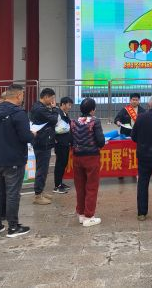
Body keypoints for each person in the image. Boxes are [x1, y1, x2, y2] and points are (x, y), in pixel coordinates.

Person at [0, 84, 35, 238]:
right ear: (18, 95)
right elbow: (25, 137)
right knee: (13, 193)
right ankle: (13, 227)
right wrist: (33, 134)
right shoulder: (19, 113)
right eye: (22, 95)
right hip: (12, 159)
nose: (23, 98)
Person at [71, 97, 106, 227]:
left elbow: (71, 139)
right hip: (91, 157)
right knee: (91, 187)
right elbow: (101, 141)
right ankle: (89, 216)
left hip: (77, 157)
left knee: (80, 187)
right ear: (92, 110)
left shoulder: (73, 122)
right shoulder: (95, 121)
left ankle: (81, 214)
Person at [30, 88, 59, 205]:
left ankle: (40, 191)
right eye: (52, 98)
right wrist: (54, 108)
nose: (52, 101)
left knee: (43, 168)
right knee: (42, 169)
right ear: (46, 97)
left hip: (43, 141)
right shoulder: (40, 109)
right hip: (42, 143)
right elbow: (54, 119)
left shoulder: (39, 107)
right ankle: (38, 195)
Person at [53, 96, 73, 194]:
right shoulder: (57, 114)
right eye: (69, 105)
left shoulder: (64, 113)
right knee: (60, 164)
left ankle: (60, 183)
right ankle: (57, 186)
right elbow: (53, 127)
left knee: (63, 163)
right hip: (60, 142)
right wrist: (55, 139)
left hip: (65, 142)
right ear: (63, 104)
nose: (70, 107)